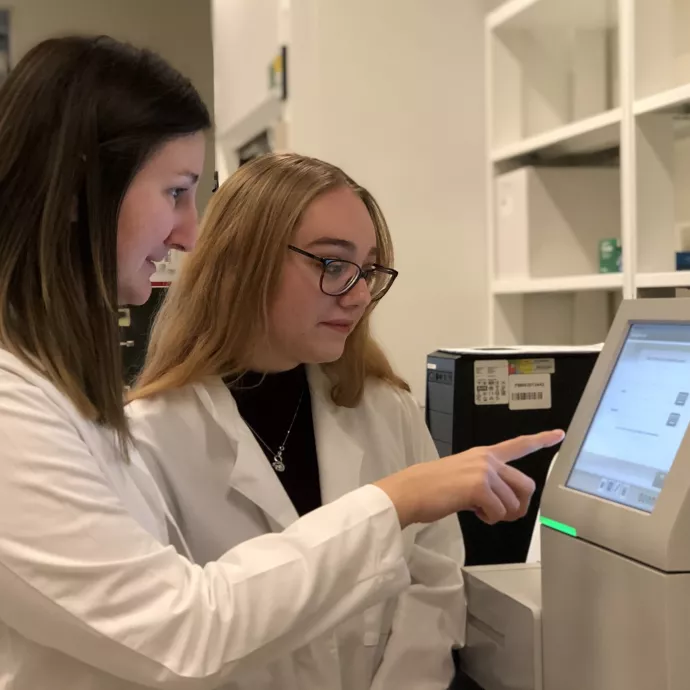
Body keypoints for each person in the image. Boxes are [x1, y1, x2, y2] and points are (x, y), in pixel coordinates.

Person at [0, 34, 563, 690]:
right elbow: (190, 631)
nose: (189, 233)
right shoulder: (35, 416)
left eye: (368, 269)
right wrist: (396, 499)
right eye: (177, 192)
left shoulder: (68, 398)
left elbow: (429, 590)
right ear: (79, 189)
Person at [126, 152, 545, 689]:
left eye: (367, 269)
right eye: (331, 264)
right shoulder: (150, 436)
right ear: (241, 261)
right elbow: (181, 635)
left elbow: (433, 578)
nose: (361, 293)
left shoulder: (382, 408)